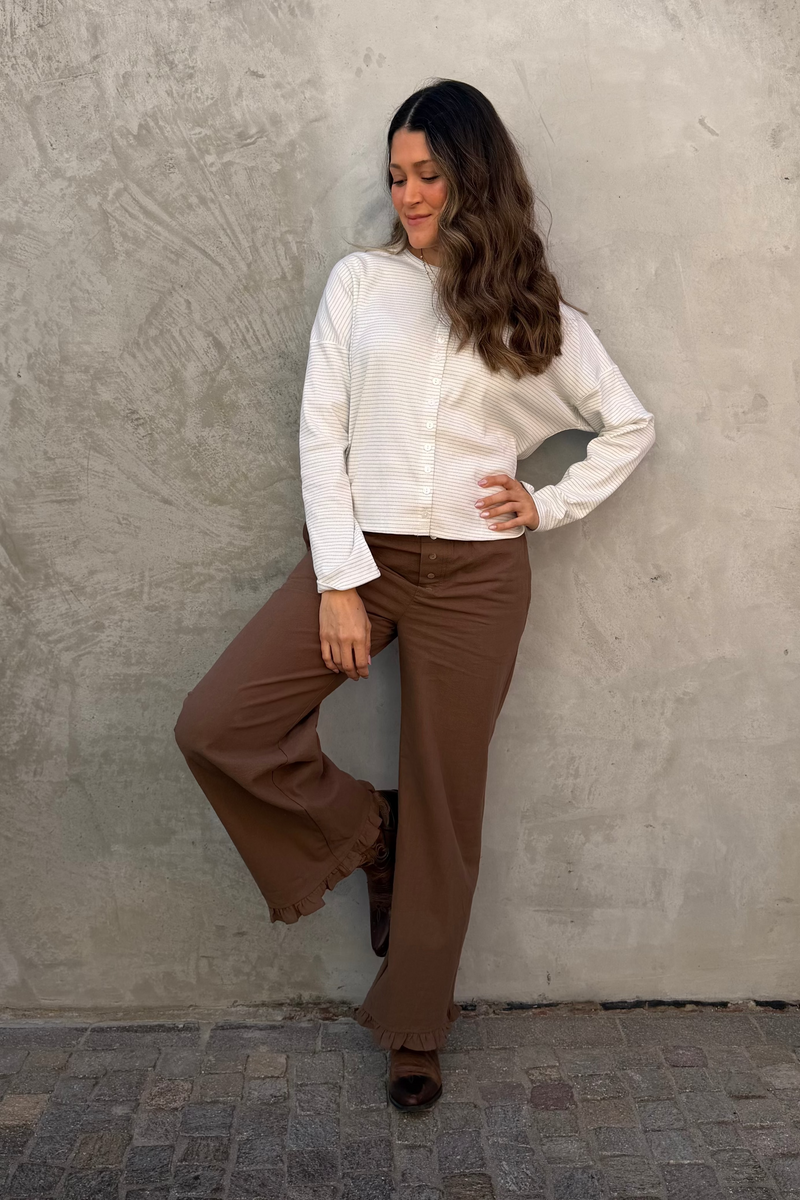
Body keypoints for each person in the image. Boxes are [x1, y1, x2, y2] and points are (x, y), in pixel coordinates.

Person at [173, 78, 656, 1111]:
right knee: (218, 723)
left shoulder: (535, 313)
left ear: (470, 174)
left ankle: (414, 1027)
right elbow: (320, 434)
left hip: (477, 578)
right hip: (368, 556)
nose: (409, 194)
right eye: (396, 176)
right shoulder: (360, 283)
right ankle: (367, 831)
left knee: (449, 803)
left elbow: (628, 425)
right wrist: (340, 584)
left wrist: (547, 505)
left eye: (427, 173)